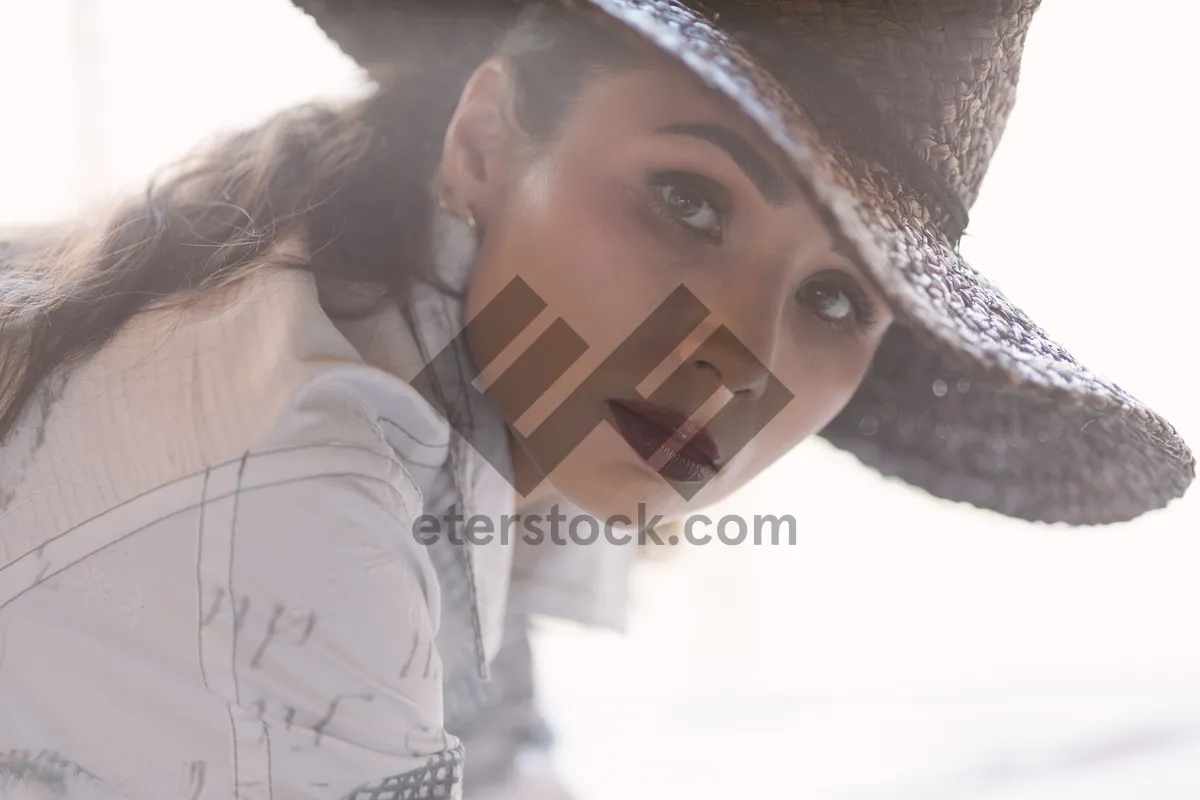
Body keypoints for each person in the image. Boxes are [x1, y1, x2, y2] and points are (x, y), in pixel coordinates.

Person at [0, 1, 1192, 798]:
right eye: (690, 200)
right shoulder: (306, 497)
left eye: (835, 301)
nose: (738, 362)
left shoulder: (446, 366)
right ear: (484, 140)